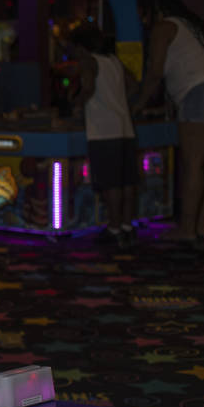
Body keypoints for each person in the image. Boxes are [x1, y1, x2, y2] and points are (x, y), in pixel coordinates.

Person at [135, 0, 204, 241]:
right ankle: (200, 226)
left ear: (152, 10)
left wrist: (136, 105)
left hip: (201, 92)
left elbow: (155, 74)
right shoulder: (190, 26)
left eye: (143, 15)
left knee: (192, 164)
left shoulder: (164, 27)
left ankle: (186, 229)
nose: (142, 22)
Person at [68, 23, 138, 248]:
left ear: (81, 46)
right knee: (126, 180)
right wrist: (118, 101)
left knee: (110, 183)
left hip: (103, 131)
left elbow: (88, 88)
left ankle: (114, 229)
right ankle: (128, 227)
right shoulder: (114, 61)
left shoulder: (89, 61)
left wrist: (75, 104)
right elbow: (134, 84)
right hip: (125, 127)